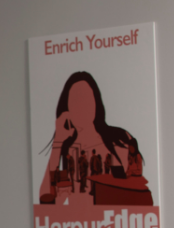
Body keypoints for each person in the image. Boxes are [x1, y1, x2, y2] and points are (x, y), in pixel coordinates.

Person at [39, 71, 148, 201]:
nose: (82, 106)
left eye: (87, 98)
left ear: (96, 102)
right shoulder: (65, 148)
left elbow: (137, 187)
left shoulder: (120, 139)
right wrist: (58, 142)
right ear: (67, 109)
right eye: (75, 100)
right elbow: (46, 201)